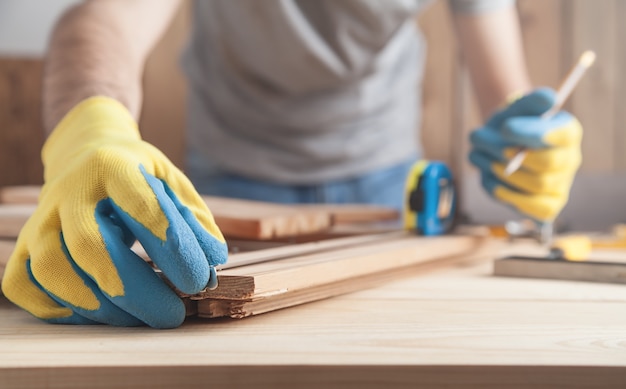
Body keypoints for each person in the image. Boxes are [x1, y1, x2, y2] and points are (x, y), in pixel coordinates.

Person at [1, 0, 582, 328]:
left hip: (385, 195)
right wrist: (90, 129)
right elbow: (100, 20)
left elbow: (506, 92)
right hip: (224, 189)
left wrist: (529, 143)